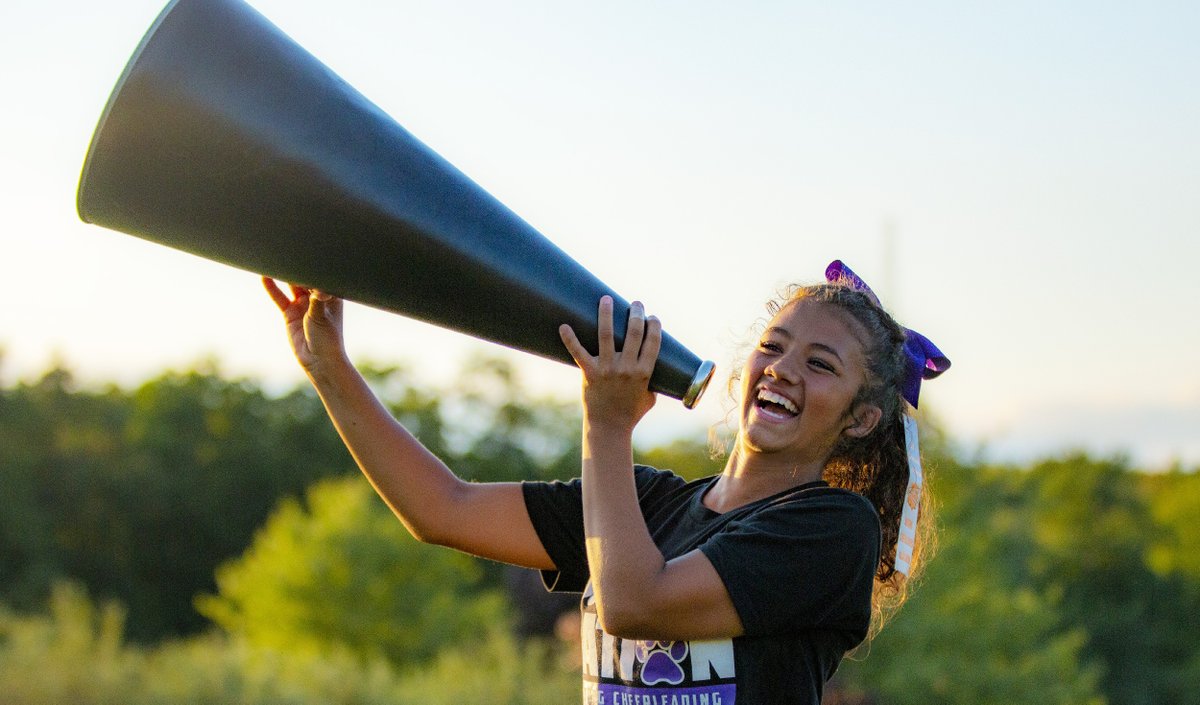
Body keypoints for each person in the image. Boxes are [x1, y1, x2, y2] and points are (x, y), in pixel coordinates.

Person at [263, 259, 948, 704]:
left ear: (860, 419)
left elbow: (634, 602)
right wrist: (329, 367)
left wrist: (607, 424)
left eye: (820, 364)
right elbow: (441, 508)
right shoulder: (645, 502)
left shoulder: (830, 528)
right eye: (772, 346)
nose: (782, 368)